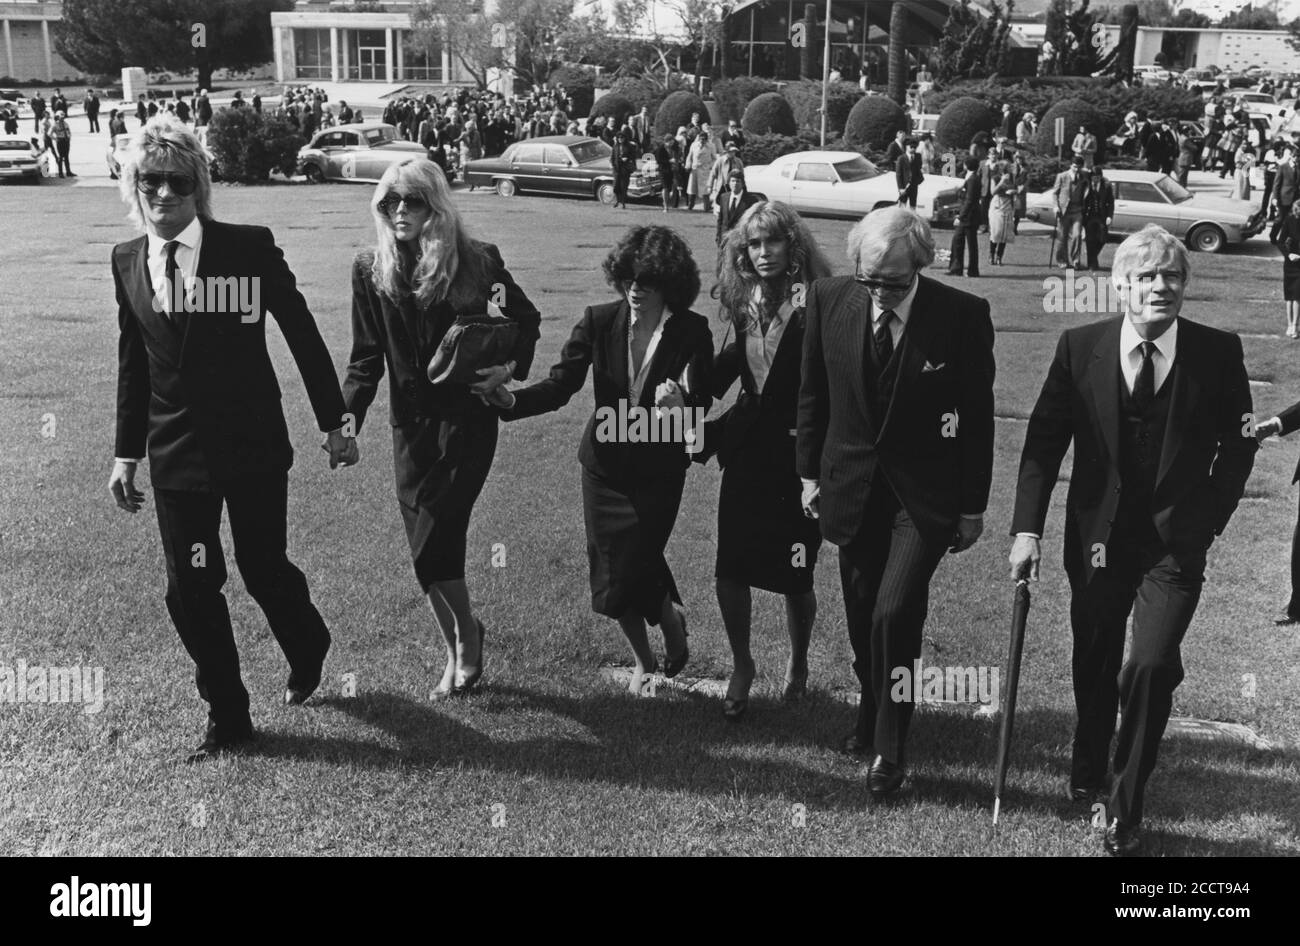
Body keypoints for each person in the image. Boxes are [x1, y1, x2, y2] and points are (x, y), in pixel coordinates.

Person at [109, 115, 357, 762]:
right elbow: (134, 361)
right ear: (132, 186)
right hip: (174, 454)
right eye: (149, 180)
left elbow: (300, 332)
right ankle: (228, 712)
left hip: (250, 443)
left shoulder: (246, 248)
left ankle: (308, 645)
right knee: (188, 586)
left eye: (177, 182)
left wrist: (336, 422)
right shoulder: (127, 260)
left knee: (263, 567)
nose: (163, 194)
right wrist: (125, 453)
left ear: (200, 186)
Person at [1009, 224, 1256, 856]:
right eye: (1146, 276)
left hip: (1175, 545)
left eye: (1173, 276)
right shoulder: (1079, 348)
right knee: (1095, 660)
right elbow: (1042, 444)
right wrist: (1027, 530)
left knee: (1148, 664)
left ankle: (1123, 804)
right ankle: (1089, 767)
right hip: (1096, 538)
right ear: (1120, 285)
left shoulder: (1217, 353)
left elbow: (1240, 442)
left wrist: (1210, 515)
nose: (1160, 287)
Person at [797, 206, 996, 795]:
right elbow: (813, 396)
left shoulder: (961, 315)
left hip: (924, 499)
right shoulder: (829, 299)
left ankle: (890, 746)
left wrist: (972, 506)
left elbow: (977, 418)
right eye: (870, 279)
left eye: (894, 282)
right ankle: (868, 707)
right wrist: (808, 475)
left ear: (921, 264)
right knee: (863, 616)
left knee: (894, 610)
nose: (880, 293)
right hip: (850, 487)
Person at [342, 158, 541, 701]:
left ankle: (468, 637)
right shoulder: (368, 268)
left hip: (467, 421)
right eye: (389, 203)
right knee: (424, 551)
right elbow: (365, 358)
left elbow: (524, 319)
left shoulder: (477, 262)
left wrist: (509, 368)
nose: (400, 212)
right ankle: (456, 646)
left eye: (412, 201)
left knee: (435, 539)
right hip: (409, 429)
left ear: (436, 206)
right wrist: (345, 420)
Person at [488, 226, 714, 695]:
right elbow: (561, 384)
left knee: (641, 557)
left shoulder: (693, 331)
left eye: (647, 282)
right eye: (628, 278)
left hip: (659, 466)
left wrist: (684, 406)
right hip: (604, 467)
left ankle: (671, 619)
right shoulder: (598, 320)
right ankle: (644, 661)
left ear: (669, 284)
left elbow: (702, 397)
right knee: (612, 573)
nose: (635, 290)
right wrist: (512, 402)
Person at [704, 201, 833, 719]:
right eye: (753, 244)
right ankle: (742, 665)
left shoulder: (821, 302)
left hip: (800, 458)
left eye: (772, 242)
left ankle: (798, 665)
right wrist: (690, 390)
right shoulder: (745, 300)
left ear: (793, 246)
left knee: (796, 572)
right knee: (730, 565)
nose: (762, 253)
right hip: (747, 449)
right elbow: (740, 361)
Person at [946, 156, 981, 278]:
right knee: (958, 240)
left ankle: (972, 270)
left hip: (969, 217)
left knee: (971, 244)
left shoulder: (973, 179)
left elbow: (969, 200)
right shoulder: (971, 178)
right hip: (968, 216)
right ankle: (957, 268)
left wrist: (960, 216)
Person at [1051, 156, 1088, 269]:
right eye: (1075, 166)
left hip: (1077, 210)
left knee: (1077, 235)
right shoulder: (1062, 176)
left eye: (1079, 167)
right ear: (1070, 165)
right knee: (1062, 236)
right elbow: (1055, 193)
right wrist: (1056, 207)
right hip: (1064, 211)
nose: (1077, 169)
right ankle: (1062, 260)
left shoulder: (1084, 177)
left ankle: (1076, 261)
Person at [1081, 166, 1114, 271]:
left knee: (1102, 239)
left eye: (1098, 177)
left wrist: (1109, 216)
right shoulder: (1086, 185)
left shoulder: (1107, 186)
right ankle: (1092, 265)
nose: (1096, 179)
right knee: (1090, 240)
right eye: (1094, 177)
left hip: (1102, 216)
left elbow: (1111, 202)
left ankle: (1092, 256)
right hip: (1089, 216)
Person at [715, 169, 758, 245]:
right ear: (729, 183)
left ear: (743, 183)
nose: (735, 183)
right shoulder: (723, 197)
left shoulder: (751, 200)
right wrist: (718, 236)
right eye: (733, 181)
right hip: (724, 240)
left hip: (741, 240)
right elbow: (720, 219)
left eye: (738, 181)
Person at [987, 160, 1015, 265]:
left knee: (1005, 233)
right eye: (1007, 167)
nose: (1009, 169)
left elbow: (1014, 188)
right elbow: (993, 192)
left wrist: (1014, 192)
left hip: (1008, 205)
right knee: (996, 231)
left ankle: (999, 256)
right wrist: (1002, 181)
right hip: (997, 205)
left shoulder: (1012, 178)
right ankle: (991, 255)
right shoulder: (995, 178)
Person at [685, 128, 719, 212]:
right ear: (698, 138)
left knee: (705, 190)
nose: (702, 140)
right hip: (694, 169)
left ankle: (706, 207)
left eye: (704, 139)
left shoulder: (711, 146)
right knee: (692, 189)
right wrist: (688, 164)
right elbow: (689, 156)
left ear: (706, 139)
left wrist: (710, 166)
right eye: (701, 138)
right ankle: (690, 205)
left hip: (704, 170)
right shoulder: (694, 145)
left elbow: (714, 158)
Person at [1280, 201, 1300, 338]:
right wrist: (1288, 254)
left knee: (1298, 296)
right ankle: (1289, 324)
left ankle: (1295, 326)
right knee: (1289, 297)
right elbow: (1280, 241)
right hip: (1290, 263)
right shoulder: (1289, 220)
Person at [1271, 145, 1298, 245]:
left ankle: (1285, 239)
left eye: (1298, 157)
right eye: (1295, 156)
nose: (1296, 159)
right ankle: (1273, 236)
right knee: (1280, 219)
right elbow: (1276, 184)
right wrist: (1274, 198)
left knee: (1292, 220)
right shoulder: (1283, 167)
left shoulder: (1298, 167)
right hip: (1283, 198)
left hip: (1295, 199)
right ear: (1291, 156)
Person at [707, 140, 745, 209]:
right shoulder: (720, 161)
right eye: (731, 151)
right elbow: (713, 174)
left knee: (732, 206)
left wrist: (743, 187)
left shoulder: (738, 161)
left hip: (734, 187)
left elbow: (742, 176)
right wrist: (710, 186)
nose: (733, 153)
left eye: (734, 151)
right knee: (720, 206)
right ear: (727, 151)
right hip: (722, 187)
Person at [611, 126, 637, 209]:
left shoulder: (629, 146)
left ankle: (623, 202)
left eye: (621, 138)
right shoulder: (615, 146)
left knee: (623, 186)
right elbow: (612, 157)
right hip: (617, 169)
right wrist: (613, 165)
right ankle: (617, 200)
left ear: (624, 138)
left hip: (625, 169)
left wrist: (627, 159)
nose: (620, 139)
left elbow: (633, 156)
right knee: (616, 186)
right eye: (618, 138)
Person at [653, 132, 680, 212]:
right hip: (663, 170)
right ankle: (665, 206)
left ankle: (669, 203)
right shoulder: (660, 149)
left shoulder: (674, 148)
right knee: (665, 187)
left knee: (671, 187)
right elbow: (659, 160)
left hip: (672, 170)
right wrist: (669, 161)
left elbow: (677, 156)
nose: (671, 144)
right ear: (666, 141)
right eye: (670, 142)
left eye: (672, 142)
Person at [896, 137, 923, 209]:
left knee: (913, 205)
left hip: (914, 186)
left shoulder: (918, 156)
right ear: (906, 147)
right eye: (911, 147)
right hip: (904, 186)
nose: (913, 149)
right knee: (902, 205)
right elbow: (899, 175)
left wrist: (918, 181)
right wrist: (900, 188)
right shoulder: (901, 158)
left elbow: (918, 169)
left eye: (915, 147)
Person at [50, 111, 73, 178]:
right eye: (61, 117)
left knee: (66, 157)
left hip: (66, 141)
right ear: (57, 117)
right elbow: (49, 133)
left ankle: (68, 172)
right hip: (60, 141)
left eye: (63, 117)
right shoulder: (55, 125)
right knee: (60, 157)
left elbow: (69, 131)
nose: (62, 118)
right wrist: (55, 139)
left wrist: (69, 137)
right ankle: (60, 173)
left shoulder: (65, 123)